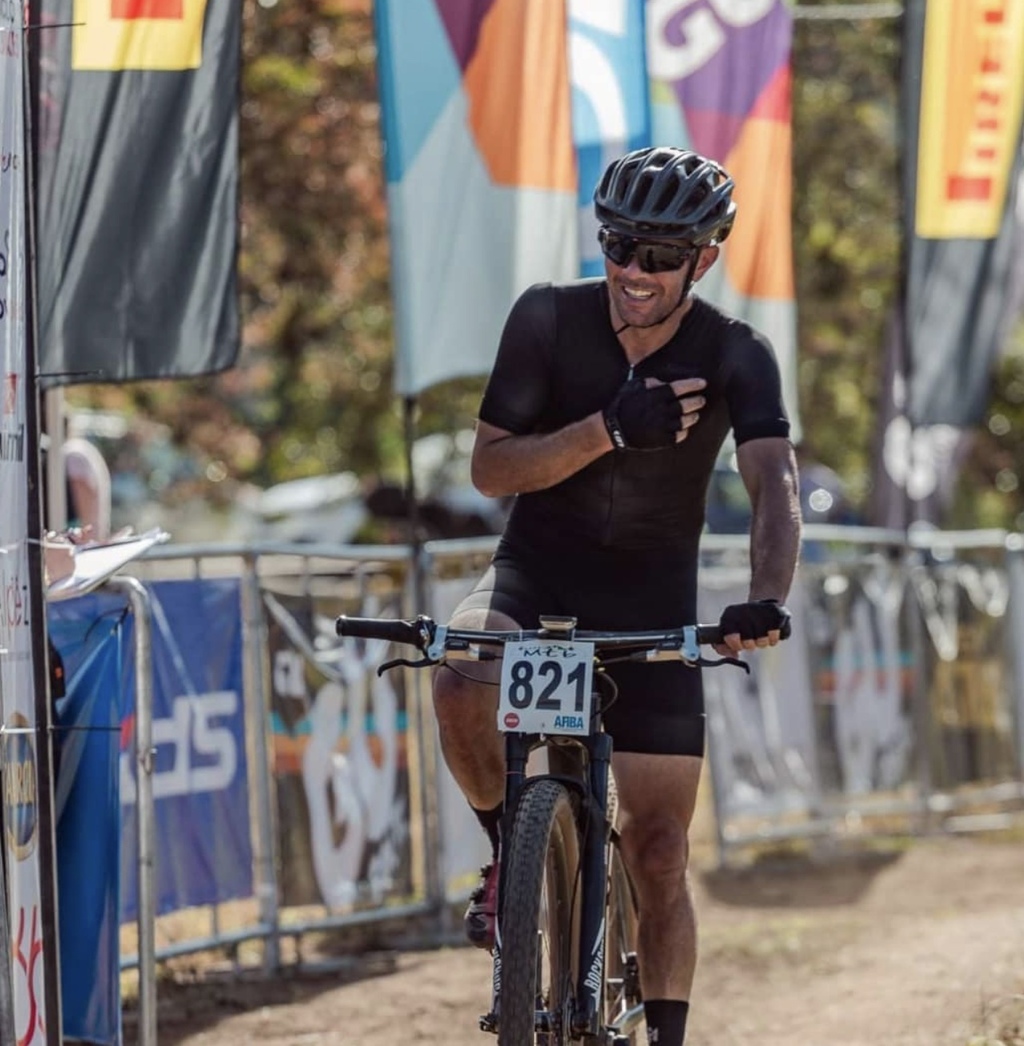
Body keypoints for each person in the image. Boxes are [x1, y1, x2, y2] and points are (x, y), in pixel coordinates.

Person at [432, 145, 802, 1046]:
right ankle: (509, 853)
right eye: (619, 244)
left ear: (702, 260)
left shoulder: (735, 352)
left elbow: (775, 485)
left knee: (660, 851)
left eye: (660, 254)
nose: (634, 270)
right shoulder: (547, 318)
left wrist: (764, 598)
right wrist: (606, 429)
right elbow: (491, 469)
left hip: (651, 600)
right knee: (458, 672)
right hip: (536, 574)